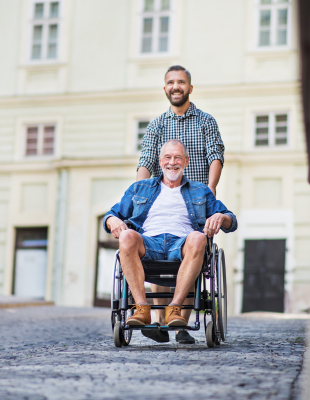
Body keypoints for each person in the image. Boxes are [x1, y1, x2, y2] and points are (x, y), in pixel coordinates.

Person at [104, 140, 236, 338]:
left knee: (199, 238)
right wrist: (113, 220)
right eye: (167, 157)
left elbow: (231, 221)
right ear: (160, 161)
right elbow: (112, 214)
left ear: (186, 161)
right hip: (148, 244)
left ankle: (175, 308)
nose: (172, 162)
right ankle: (141, 308)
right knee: (127, 235)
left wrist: (220, 216)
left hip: (182, 245)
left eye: (177, 157)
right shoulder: (140, 188)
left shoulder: (200, 191)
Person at [136, 65, 226, 344]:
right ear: (165, 88)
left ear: (189, 87)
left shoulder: (205, 121)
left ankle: (182, 323)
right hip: (165, 199)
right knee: (159, 254)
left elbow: (216, 155)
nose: (176, 86)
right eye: (171, 82)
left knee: (191, 251)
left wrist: (209, 192)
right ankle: (161, 321)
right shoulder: (157, 125)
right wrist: (142, 196)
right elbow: (146, 163)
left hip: (196, 201)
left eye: (181, 82)